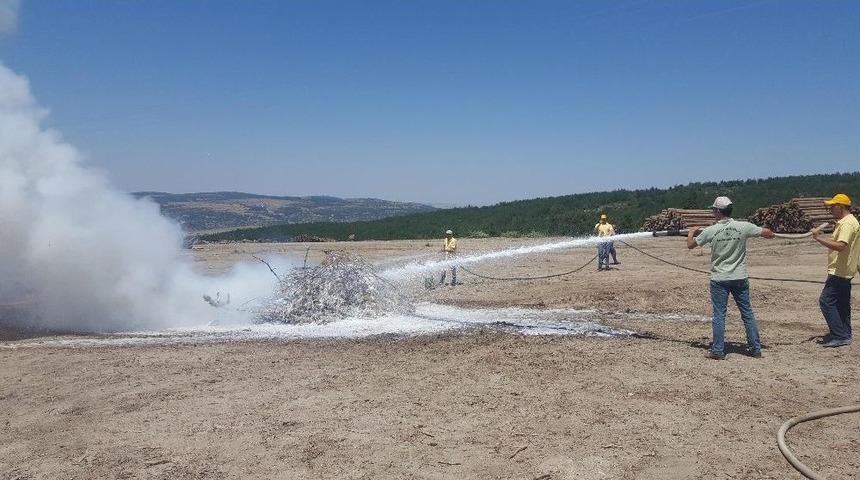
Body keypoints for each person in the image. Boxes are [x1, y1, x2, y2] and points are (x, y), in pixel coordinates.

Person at [687, 196, 775, 359]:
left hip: (720, 278)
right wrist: (766, 230)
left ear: (718, 212)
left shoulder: (710, 231)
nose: (713, 212)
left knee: (719, 314)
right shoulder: (743, 226)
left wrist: (691, 233)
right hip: (740, 277)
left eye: (713, 210)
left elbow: (691, 245)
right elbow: (768, 234)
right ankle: (755, 348)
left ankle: (718, 350)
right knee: (747, 313)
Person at [811, 193, 859, 348]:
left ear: (841, 206)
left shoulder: (847, 224)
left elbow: (841, 246)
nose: (830, 209)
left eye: (833, 206)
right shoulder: (848, 222)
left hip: (839, 270)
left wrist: (818, 239)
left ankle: (839, 335)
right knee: (842, 304)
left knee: (826, 301)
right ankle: (845, 333)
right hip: (845, 269)